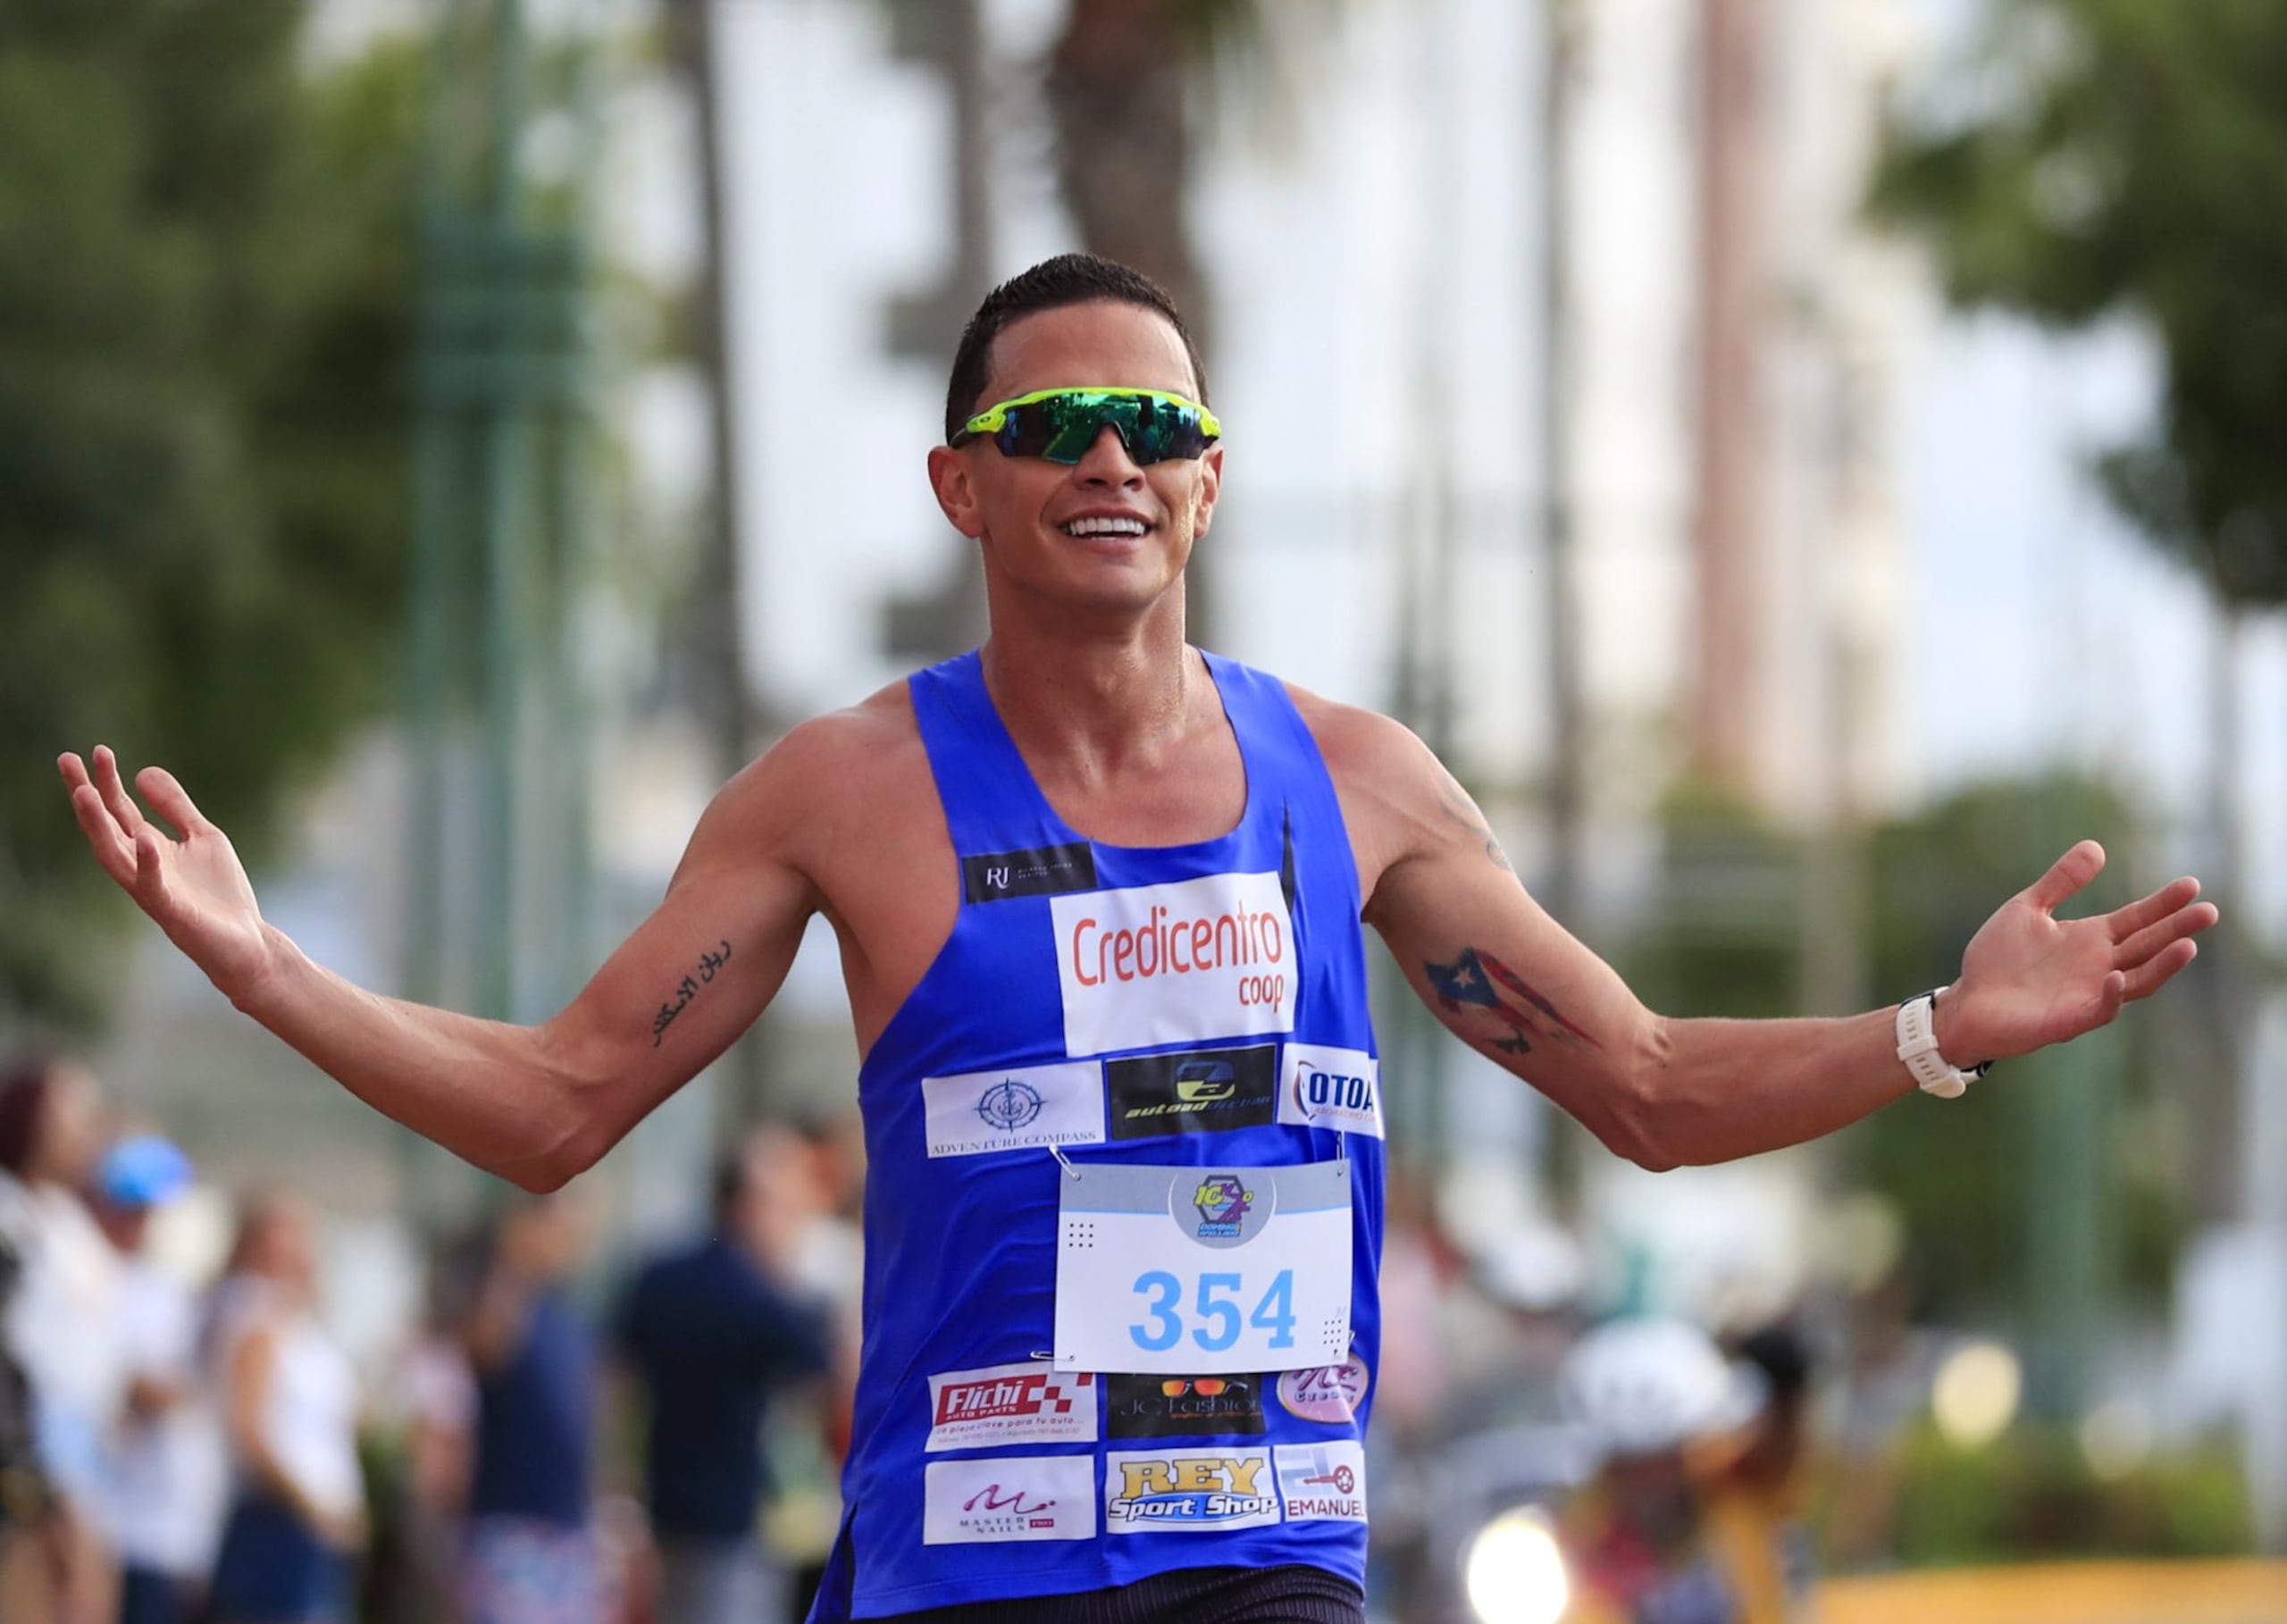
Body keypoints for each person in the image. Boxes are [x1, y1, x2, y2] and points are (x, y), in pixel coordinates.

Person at [59, 251, 2217, 1622]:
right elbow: (555, 1106)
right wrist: (267, 970)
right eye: (1051, 426)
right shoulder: (846, 791)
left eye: (1157, 427)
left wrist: (1938, 1025)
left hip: (1259, 1551)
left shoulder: (1354, 782)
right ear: (958, 485)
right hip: (960, 1566)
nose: (1110, 454)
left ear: (1203, 484)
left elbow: (1640, 1086)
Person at [616, 1128, 832, 1624]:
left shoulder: (659, 1278)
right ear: (750, 1205)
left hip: (663, 1508)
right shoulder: (759, 1298)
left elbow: (616, 1385)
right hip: (737, 1520)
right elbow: (829, 1377)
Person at [0, 1055, 127, 1624]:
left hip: (79, 1454)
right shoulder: (10, 1218)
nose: (86, 1130)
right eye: (73, 1112)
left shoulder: (66, 1220)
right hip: (31, 1461)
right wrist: (41, 1482)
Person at [206, 1193, 364, 1624]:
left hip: (310, 1530)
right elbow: (248, 1428)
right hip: (279, 1522)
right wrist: (310, 1504)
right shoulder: (253, 1319)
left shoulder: (299, 1322)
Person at [94, 1134, 230, 1624]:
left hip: (173, 1526)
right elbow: (129, 1384)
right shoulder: (100, 1276)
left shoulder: (162, 1286)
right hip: (124, 1520)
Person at [457, 1192, 604, 1624]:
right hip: (511, 1528)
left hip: (569, 1528)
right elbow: (482, 1348)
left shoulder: (569, 1315)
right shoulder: (506, 1304)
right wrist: (511, 1264)